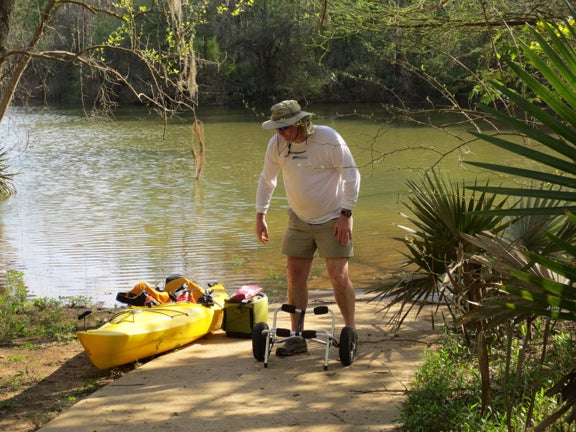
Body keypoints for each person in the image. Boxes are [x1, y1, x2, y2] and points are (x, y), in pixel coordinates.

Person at [255, 99, 361, 357]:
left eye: (284, 128)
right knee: (294, 274)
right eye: (276, 129)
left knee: (338, 276)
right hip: (299, 219)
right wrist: (260, 214)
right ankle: (297, 337)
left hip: (334, 217)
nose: (279, 134)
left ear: (301, 122)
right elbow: (267, 180)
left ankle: (350, 332)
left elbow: (352, 176)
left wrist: (346, 214)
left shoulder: (328, 139)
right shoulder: (277, 144)